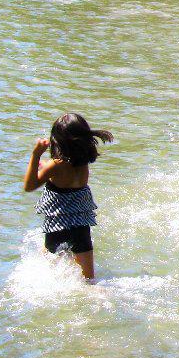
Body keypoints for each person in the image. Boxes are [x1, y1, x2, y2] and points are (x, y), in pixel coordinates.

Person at [23, 113, 113, 281]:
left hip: (57, 227)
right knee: (89, 281)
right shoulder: (83, 163)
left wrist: (36, 155)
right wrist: (46, 168)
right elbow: (63, 176)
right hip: (81, 229)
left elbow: (29, 186)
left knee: (50, 275)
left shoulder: (55, 166)